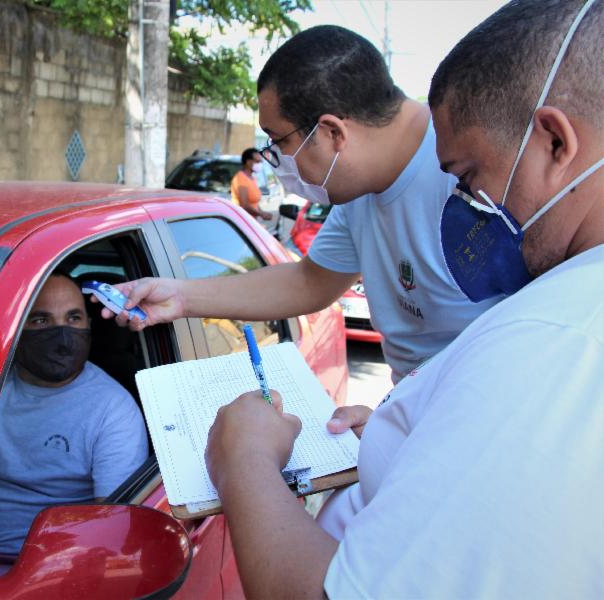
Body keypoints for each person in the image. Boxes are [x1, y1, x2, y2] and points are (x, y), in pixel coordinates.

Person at [205, 0, 603, 597]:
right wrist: (404, 428)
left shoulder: (553, 338)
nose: (465, 208)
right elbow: (313, 278)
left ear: (552, 142)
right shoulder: (559, 319)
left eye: (468, 178)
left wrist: (245, 460)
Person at [105, 26, 502, 383]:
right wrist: (181, 296)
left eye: (279, 141)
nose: (276, 159)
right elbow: (310, 281)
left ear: (331, 132)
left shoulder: (476, 170)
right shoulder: (360, 188)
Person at [0, 272, 148, 560]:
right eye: (41, 320)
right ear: (17, 327)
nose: (62, 335)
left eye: (73, 319)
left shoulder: (112, 409)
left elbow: (112, 529)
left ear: (89, 326)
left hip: (45, 568)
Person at [230, 148, 274, 221]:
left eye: (261, 162)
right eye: (257, 161)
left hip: (250, 220)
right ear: (248, 162)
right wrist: (261, 214)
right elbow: (244, 205)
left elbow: (254, 203)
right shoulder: (240, 178)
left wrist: (262, 212)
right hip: (242, 221)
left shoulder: (252, 178)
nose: (260, 164)